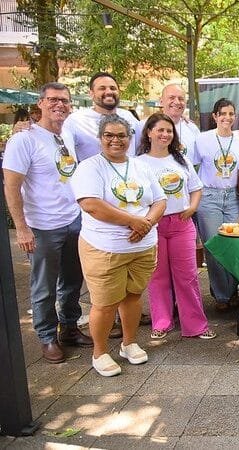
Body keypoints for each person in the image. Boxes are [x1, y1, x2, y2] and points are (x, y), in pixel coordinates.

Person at [71, 114, 166, 377]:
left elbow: (160, 201)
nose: (116, 140)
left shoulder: (140, 166)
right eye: (109, 135)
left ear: (130, 138)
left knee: (133, 297)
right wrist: (135, 222)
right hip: (105, 248)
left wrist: (145, 222)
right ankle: (99, 352)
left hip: (143, 247)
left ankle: (128, 343)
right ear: (100, 139)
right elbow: (91, 204)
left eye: (121, 135)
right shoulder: (90, 167)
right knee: (104, 303)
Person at [3, 82, 91, 364]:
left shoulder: (65, 132)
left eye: (64, 100)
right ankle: (46, 337)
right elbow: (11, 186)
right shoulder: (24, 139)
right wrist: (22, 227)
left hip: (73, 221)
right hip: (42, 227)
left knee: (72, 280)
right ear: (39, 103)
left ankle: (69, 327)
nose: (59, 105)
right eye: (53, 100)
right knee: (44, 286)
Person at [136, 113, 215, 340]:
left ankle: (196, 326)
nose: (165, 135)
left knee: (188, 275)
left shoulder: (180, 159)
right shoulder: (138, 163)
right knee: (157, 276)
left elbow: (196, 187)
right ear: (149, 132)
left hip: (181, 223)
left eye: (169, 131)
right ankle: (162, 322)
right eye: (160, 130)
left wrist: (192, 208)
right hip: (154, 226)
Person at [192, 98, 239, 311]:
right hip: (209, 197)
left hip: (233, 197)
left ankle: (233, 291)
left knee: (233, 246)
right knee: (214, 247)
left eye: (231, 114)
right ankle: (222, 295)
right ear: (214, 116)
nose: (227, 118)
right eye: (222, 113)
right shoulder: (202, 139)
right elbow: (192, 167)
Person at [64, 72, 140, 162]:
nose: (109, 92)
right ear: (91, 94)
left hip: (128, 174)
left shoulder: (128, 116)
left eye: (113, 88)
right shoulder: (75, 120)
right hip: (92, 174)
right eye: (102, 88)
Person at [158, 84, 200, 158]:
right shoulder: (147, 126)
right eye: (171, 98)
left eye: (181, 99)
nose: (177, 102)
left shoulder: (192, 128)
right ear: (161, 101)